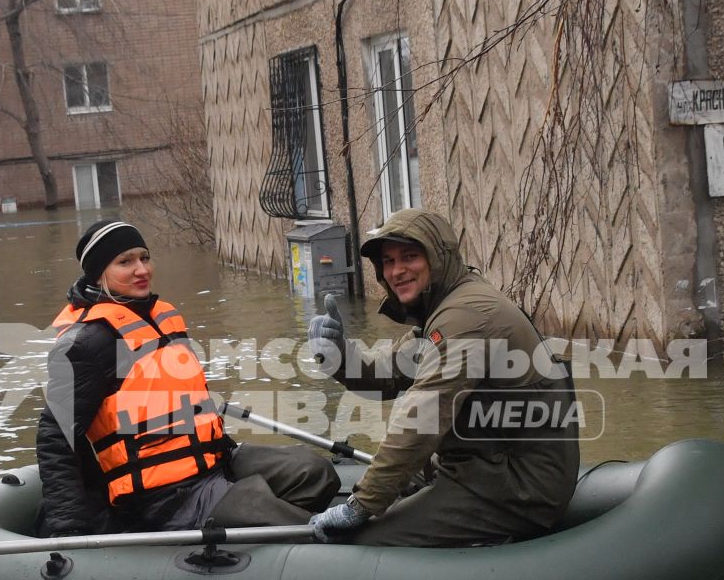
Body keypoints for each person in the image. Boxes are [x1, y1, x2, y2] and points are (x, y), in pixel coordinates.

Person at [36, 219, 339, 536]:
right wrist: (68, 529)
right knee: (290, 522)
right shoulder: (88, 342)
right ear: (99, 273)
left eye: (144, 257)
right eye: (125, 262)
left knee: (315, 472)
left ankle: (249, 532)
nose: (142, 269)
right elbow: (55, 437)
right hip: (164, 497)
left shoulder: (162, 318)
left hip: (213, 462)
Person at [305, 209, 579, 546]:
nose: (396, 271)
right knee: (391, 486)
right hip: (485, 464)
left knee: (367, 542)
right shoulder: (446, 307)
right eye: (388, 261)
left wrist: (360, 505)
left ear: (438, 257)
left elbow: (423, 417)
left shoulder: (466, 316)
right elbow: (387, 373)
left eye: (409, 256)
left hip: (517, 488)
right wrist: (337, 354)